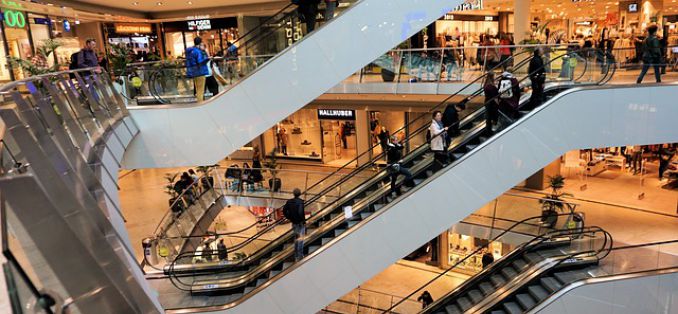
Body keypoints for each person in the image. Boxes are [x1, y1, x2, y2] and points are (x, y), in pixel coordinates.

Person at [283, 188, 306, 261]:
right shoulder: (300, 202)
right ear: (300, 194)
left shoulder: (289, 202)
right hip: (300, 223)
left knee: (296, 238)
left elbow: (284, 210)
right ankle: (300, 255)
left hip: (294, 223)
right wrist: (303, 222)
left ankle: (296, 254)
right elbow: (301, 213)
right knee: (301, 239)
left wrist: (289, 217)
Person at [185, 37, 210, 101]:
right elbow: (200, 62)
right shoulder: (198, 51)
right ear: (200, 42)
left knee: (198, 89)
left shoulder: (191, 51)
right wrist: (208, 59)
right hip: (200, 72)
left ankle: (199, 103)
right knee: (200, 91)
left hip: (194, 72)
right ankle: (200, 104)